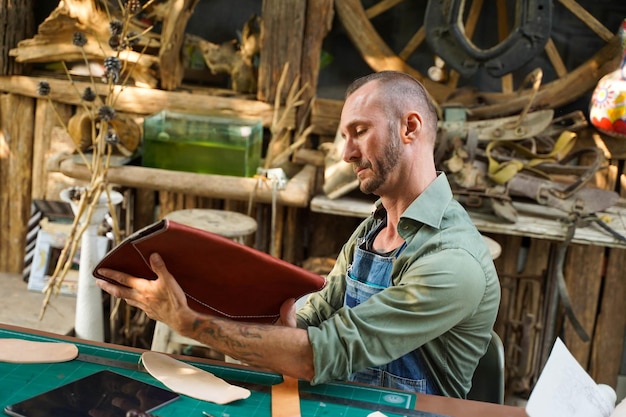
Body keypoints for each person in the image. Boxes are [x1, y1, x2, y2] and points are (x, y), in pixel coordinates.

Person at [96, 70, 501, 398]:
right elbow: (314, 319)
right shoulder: (372, 231)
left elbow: (324, 352)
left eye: (359, 131)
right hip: (344, 402)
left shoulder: (453, 260)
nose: (346, 153)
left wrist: (188, 322)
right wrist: (280, 325)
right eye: (345, 136)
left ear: (409, 127)